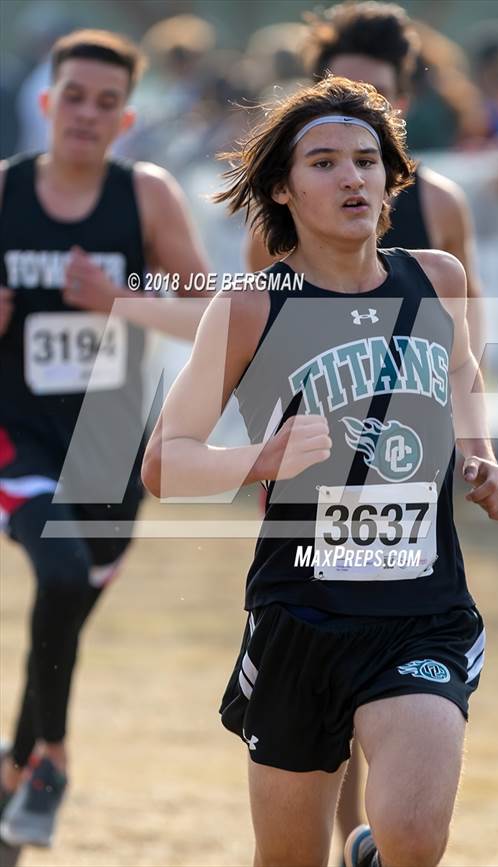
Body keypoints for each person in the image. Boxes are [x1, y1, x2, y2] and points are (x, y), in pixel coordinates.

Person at [142, 76, 498, 867]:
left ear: (390, 176)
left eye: (367, 160)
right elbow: (164, 464)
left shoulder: (434, 278)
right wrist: (258, 458)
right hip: (300, 612)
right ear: (282, 185)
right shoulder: (251, 306)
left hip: (422, 608)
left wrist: (480, 452)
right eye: (324, 162)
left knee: (415, 835)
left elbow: (464, 375)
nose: (353, 178)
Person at [245, 2, 485, 838]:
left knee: (407, 770)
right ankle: (347, 823)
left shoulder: (440, 216)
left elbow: (465, 350)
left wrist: (475, 445)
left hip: (413, 521)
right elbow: (259, 343)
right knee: (315, 738)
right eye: (337, 98)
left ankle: (375, 832)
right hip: (312, 520)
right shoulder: (282, 237)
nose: (352, 171)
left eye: (372, 114)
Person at [0, 28, 209, 850]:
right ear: (48, 106)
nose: (87, 114)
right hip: (18, 436)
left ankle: (17, 772)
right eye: (74, 99)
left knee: (66, 612)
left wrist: (121, 299)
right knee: (55, 568)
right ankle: (51, 756)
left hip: (114, 445)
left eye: (107, 103)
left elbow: (215, 315)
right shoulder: (5, 192)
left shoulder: (146, 196)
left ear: (125, 119)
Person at [247, 1, 484, 365]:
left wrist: (473, 412)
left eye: (376, 96)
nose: (355, 110)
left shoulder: (441, 204)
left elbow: (467, 330)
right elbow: (265, 337)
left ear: (402, 104)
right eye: (342, 93)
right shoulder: (286, 206)